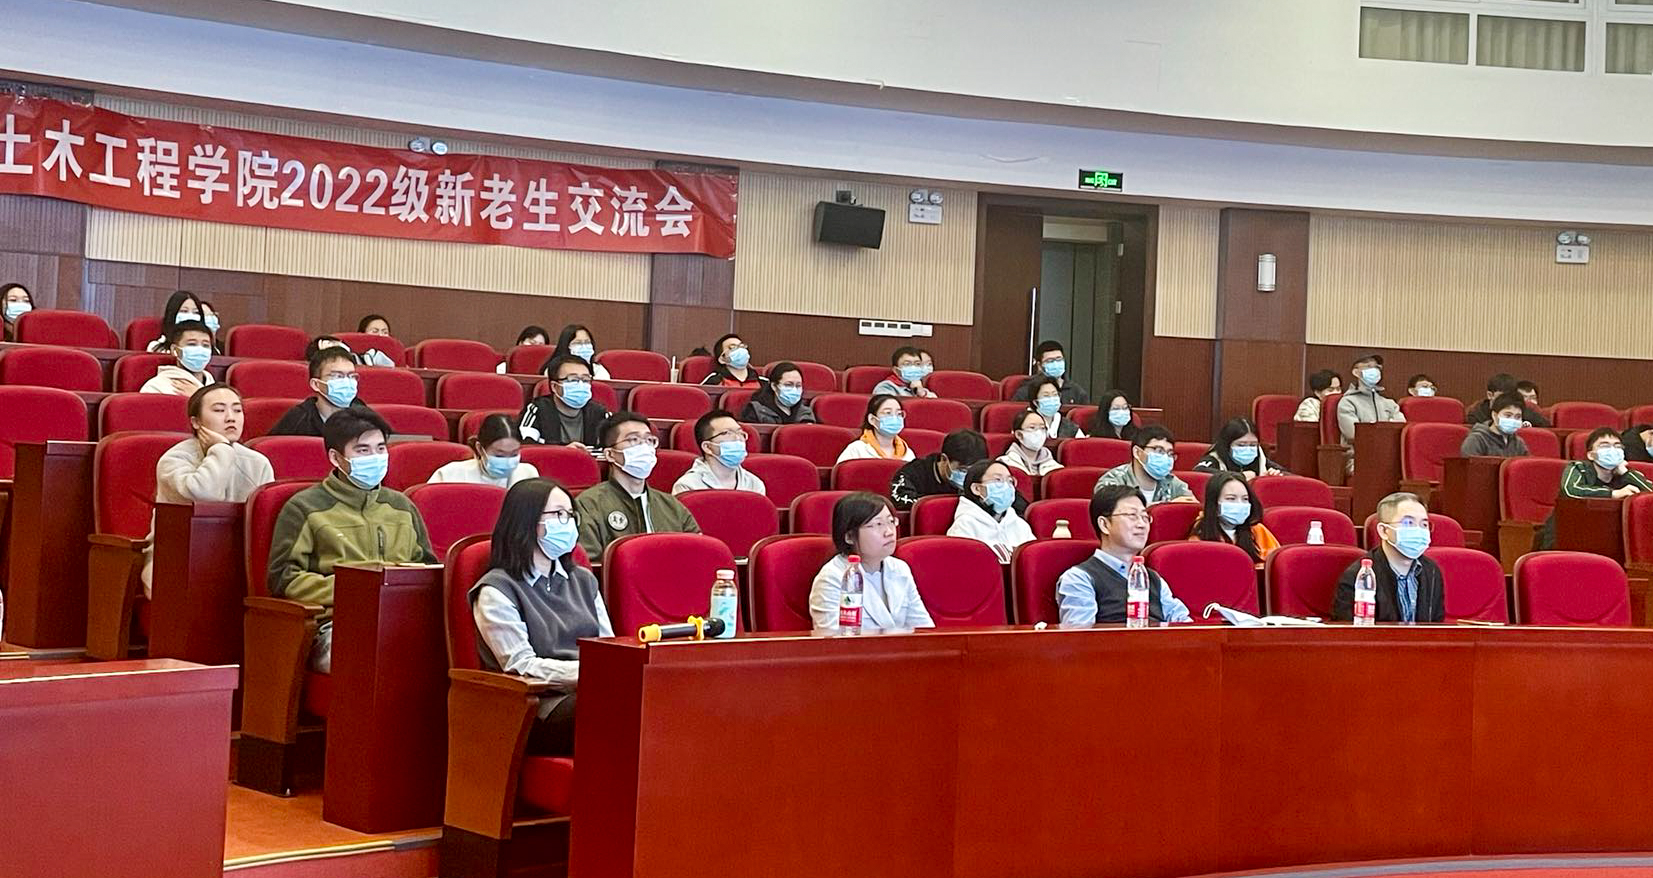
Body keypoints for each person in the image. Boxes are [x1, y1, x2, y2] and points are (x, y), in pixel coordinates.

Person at [268, 409, 437, 672]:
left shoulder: (402, 506)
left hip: (400, 621)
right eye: (363, 450)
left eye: (380, 448)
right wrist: (356, 590)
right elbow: (284, 579)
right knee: (372, 655)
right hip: (334, 624)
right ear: (336, 458)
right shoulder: (304, 507)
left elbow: (428, 569)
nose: (375, 457)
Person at [470, 478, 612, 756]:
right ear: (526, 521)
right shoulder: (497, 589)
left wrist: (610, 673)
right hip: (537, 707)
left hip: (591, 692)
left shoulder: (584, 580)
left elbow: (609, 647)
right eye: (558, 514)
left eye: (570, 515)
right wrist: (587, 674)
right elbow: (519, 665)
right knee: (616, 706)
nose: (567, 523)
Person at [141, 385, 274, 594]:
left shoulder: (258, 463)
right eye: (219, 410)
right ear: (196, 422)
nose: (231, 418)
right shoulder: (174, 460)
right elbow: (204, 496)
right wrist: (221, 450)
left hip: (236, 560)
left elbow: (264, 521)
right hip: (178, 561)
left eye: (237, 410)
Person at [1056, 485, 1193, 625]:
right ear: (1104, 525)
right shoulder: (1079, 578)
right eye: (1132, 516)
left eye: (1145, 517)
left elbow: (1186, 626)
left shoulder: (1154, 579)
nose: (1141, 524)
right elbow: (1080, 635)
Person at [573, 412, 701, 560]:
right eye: (633, 439)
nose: (644, 446)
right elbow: (589, 563)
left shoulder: (672, 506)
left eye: (649, 440)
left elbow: (697, 553)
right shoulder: (589, 504)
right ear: (610, 454)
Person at [808, 492, 934, 633]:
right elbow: (832, 639)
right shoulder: (832, 578)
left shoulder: (900, 568)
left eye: (891, 522)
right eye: (878, 524)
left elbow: (923, 629)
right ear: (849, 536)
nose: (889, 532)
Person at [1332, 492, 1444, 623]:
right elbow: (1348, 631)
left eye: (1424, 525)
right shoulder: (1359, 575)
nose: (1418, 530)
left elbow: (1437, 626)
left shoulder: (1431, 571)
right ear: (1384, 531)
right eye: (1408, 523)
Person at [268, 346, 378, 436]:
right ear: (316, 384)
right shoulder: (299, 418)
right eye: (337, 376)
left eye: (351, 376)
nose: (346, 382)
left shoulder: (363, 413)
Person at [946, 460, 1035, 562]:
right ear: (977, 489)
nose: (1006, 486)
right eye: (998, 480)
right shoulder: (965, 525)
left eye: (1010, 481)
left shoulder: (1019, 523)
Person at [1187, 472, 1280, 566]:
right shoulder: (1201, 535)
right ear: (1214, 503)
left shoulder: (1258, 531)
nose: (1240, 504)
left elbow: (1274, 564)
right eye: (1231, 499)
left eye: (1245, 499)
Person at [519, 354, 610, 447]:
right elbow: (526, 444)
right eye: (573, 380)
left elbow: (614, 444)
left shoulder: (599, 412)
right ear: (554, 386)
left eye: (585, 380)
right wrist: (564, 452)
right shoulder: (538, 409)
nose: (580, 385)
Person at [429, 414, 540, 487]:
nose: (508, 461)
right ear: (480, 449)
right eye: (499, 455)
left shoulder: (528, 474)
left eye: (514, 454)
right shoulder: (450, 474)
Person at [672, 409, 767, 495]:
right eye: (727, 433)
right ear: (707, 447)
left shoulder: (754, 484)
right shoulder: (688, 486)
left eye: (740, 433)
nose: (738, 438)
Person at [1095, 425, 1195, 505]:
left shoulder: (1172, 483)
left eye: (1170, 453)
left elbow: (1193, 507)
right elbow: (1112, 511)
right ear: (1137, 452)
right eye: (1159, 451)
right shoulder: (1113, 480)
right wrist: (1166, 507)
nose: (1165, 457)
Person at [890, 428, 987, 510]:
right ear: (944, 459)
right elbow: (901, 501)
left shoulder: (981, 477)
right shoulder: (911, 473)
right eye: (962, 470)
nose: (967, 476)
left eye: (971, 471)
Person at [1336, 353, 1406, 445]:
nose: (1374, 371)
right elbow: (1353, 433)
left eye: (1377, 367)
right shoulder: (1348, 402)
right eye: (1369, 366)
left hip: (1388, 450)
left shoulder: (1390, 403)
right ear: (1356, 372)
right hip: (1358, 452)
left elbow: (1401, 429)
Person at [139, 319, 217, 396]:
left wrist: (197, 394)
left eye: (205, 345)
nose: (200, 350)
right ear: (174, 350)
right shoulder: (156, 387)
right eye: (192, 344)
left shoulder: (215, 387)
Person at [1192, 417, 1287, 479]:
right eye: (1241, 445)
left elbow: (1286, 474)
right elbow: (1199, 471)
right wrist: (1239, 476)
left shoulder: (1261, 459)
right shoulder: (1215, 458)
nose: (1248, 449)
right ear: (1227, 444)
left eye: (1253, 445)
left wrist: (1274, 475)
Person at [838, 394, 916, 464]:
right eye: (888, 413)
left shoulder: (908, 454)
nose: (894, 418)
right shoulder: (856, 449)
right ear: (872, 419)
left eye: (899, 414)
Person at [1011, 341, 1089, 405]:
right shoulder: (1027, 390)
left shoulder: (1077, 392)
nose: (1055, 364)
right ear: (1039, 365)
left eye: (1059, 359)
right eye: (1050, 361)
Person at [740, 362, 817, 425]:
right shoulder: (757, 411)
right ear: (774, 386)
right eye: (788, 385)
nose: (794, 389)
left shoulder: (806, 413)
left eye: (798, 385)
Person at [1459, 391, 1531, 458]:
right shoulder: (1476, 440)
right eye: (1508, 415)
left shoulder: (1518, 443)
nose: (1513, 420)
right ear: (1494, 415)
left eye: (1517, 417)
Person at [1466, 373, 1549, 428]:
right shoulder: (1476, 414)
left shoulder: (1521, 410)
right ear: (1490, 395)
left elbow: (1546, 426)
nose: (1507, 401)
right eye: (1501, 396)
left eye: (1510, 396)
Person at [999, 408, 1063, 476]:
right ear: (1019, 434)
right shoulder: (1004, 464)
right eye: (1032, 427)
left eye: (1042, 428)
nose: (1039, 432)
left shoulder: (1055, 468)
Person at [545, 324, 610, 381]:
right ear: (566, 346)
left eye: (587, 342)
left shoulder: (598, 370)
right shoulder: (554, 370)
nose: (584, 346)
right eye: (578, 343)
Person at [871, 346, 936, 398]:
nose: (913, 368)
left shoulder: (919, 386)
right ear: (896, 370)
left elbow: (934, 405)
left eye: (917, 364)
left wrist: (921, 392)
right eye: (907, 364)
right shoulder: (886, 387)